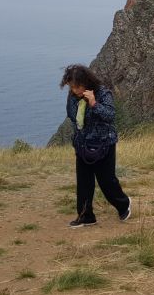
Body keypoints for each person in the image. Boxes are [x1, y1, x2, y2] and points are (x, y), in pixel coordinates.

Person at [60, 65, 131, 228]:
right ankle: (86, 216)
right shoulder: (73, 96)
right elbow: (71, 115)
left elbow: (110, 116)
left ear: (86, 82)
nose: (74, 90)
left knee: (107, 181)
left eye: (77, 86)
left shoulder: (103, 93)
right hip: (83, 144)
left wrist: (93, 103)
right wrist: (80, 103)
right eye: (71, 87)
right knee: (84, 182)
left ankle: (123, 205)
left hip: (104, 144)